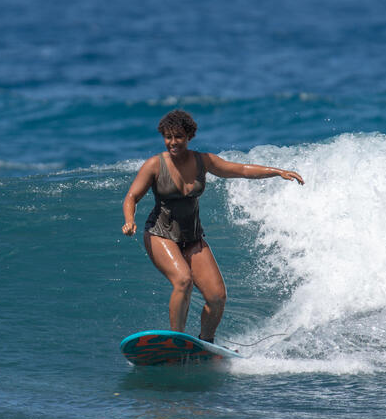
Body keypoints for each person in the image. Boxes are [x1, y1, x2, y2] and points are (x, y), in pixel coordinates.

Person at [121, 109, 304, 344]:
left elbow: (242, 170)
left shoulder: (203, 161)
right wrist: (129, 220)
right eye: (168, 137)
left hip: (192, 237)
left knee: (217, 297)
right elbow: (131, 197)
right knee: (183, 280)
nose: (173, 142)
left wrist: (277, 172)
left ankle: (205, 342)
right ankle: (176, 340)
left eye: (178, 136)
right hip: (160, 233)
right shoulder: (155, 165)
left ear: (189, 136)